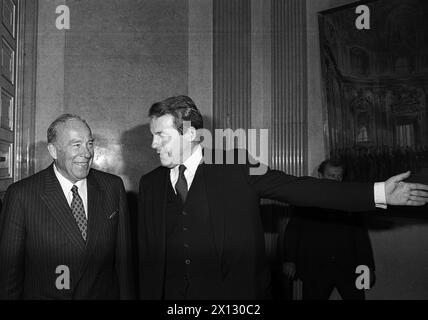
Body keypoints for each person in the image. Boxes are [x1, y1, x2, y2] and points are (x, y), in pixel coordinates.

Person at [138, 95, 428, 300]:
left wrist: (377, 192)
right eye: (153, 135)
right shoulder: (150, 185)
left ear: (189, 133)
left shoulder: (236, 167)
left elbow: (304, 188)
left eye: (161, 135)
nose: (153, 144)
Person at [0, 114, 135, 299]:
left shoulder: (113, 187)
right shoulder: (21, 195)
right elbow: (9, 274)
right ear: (54, 151)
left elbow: (124, 263)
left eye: (89, 143)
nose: (87, 153)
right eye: (76, 145)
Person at [283, 159, 375, 300]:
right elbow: (293, 232)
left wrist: (368, 268)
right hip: (315, 269)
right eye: (331, 176)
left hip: (348, 268)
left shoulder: (351, 200)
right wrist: (289, 260)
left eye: (339, 176)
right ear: (320, 176)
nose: (336, 181)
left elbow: (361, 238)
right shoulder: (306, 200)